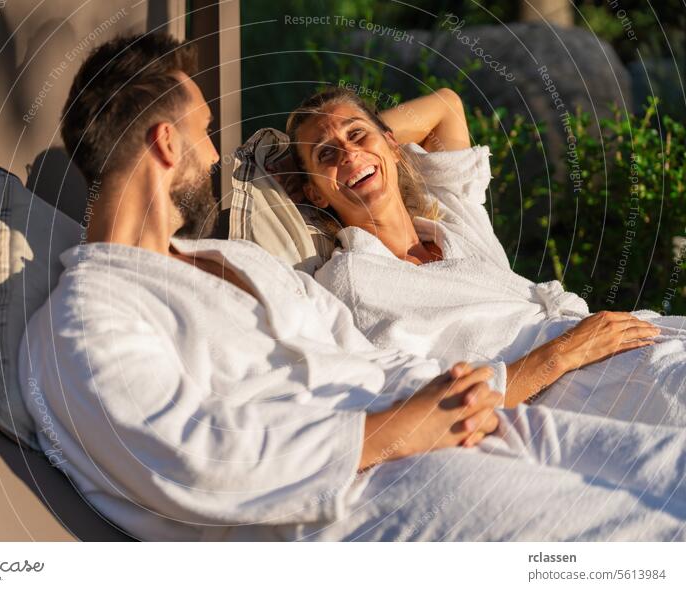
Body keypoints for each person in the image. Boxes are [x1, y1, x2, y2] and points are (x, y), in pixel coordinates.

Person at [19, 33, 686, 542]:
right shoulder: (84, 316)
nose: (218, 156)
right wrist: (387, 434)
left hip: (452, 412)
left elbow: (364, 353)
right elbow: (190, 456)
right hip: (361, 489)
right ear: (167, 144)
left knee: (667, 470)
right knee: (630, 535)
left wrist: (477, 389)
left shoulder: (228, 258)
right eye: (203, 135)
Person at [286, 87, 686, 427]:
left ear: (394, 145)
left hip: (617, 341)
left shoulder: (448, 214)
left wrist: (362, 137)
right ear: (315, 194)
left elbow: (446, 106)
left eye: (357, 135)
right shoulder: (353, 279)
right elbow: (425, 405)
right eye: (325, 155)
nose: (348, 155)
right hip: (566, 390)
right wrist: (563, 351)